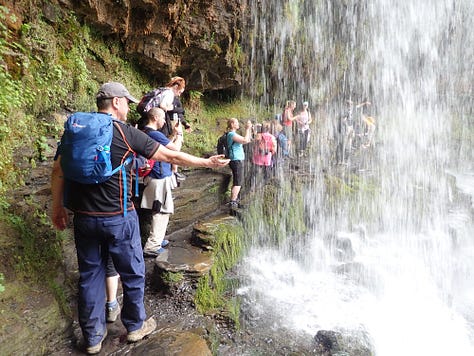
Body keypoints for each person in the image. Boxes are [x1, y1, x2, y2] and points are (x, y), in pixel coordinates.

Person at [51, 82, 229, 354]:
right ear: (116, 102)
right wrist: (206, 163)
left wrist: (57, 207)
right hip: (119, 218)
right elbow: (169, 154)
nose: (129, 108)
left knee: (90, 275)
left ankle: (93, 338)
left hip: (84, 219)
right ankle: (135, 326)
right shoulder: (125, 133)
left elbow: (58, 171)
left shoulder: (76, 130)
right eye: (126, 102)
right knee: (133, 272)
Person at [140, 107, 183, 256]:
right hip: (158, 177)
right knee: (162, 210)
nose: (165, 121)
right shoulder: (154, 134)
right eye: (163, 118)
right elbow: (175, 150)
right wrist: (180, 135)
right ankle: (153, 246)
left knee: (159, 208)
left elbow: (163, 145)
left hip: (153, 175)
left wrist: (173, 134)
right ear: (156, 118)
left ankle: (159, 238)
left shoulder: (144, 132)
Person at [157, 76, 188, 181]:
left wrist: (185, 123)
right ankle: (173, 172)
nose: (179, 94)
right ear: (176, 86)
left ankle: (173, 171)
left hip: (168, 123)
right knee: (174, 146)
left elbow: (180, 113)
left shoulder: (164, 92)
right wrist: (173, 108)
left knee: (172, 145)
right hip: (168, 123)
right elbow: (163, 106)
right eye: (180, 91)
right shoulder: (169, 94)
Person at [226, 118, 253, 209]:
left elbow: (247, 140)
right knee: (237, 181)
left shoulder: (234, 134)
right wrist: (248, 129)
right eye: (236, 122)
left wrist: (249, 130)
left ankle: (235, 199)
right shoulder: (231, 134)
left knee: (238, 181)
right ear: (232, 124)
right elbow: (245, 140)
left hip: (238, 159)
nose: (238, 124)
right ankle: (233, 201)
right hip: (235, 160)